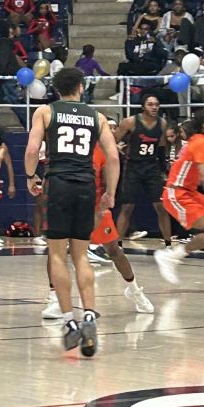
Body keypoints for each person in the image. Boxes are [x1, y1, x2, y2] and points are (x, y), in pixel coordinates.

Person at [25, 67, 119, 356]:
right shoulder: (98, 116)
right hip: (86, 185)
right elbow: (113, 157)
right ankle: (90, 313)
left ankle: (69, 321)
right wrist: (110, 194)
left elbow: (31, 150)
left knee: (57, 253)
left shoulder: (45, 112)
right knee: (81, 255)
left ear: (55, 89)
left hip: (60, 183)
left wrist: (31, 177)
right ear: (81, 86)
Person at [42, 127, 154, 318]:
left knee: (114, 251)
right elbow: (49, 176)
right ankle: (55, 299)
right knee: (56, 252)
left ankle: (134, 290)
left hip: (95, 208)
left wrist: (105, 206)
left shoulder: (104, 153)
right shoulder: (65, 149)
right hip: (68, 206)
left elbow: (111, 182)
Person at [155, 110, 204, 283]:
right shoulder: (202, 142)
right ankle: (171, 256)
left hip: (189, 192)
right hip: (177, 193)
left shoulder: (202, 141)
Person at [112, 94, 172, 246]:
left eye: (156, 104)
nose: (154, 107)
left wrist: (164, 168)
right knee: (127, 206)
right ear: (143, 106)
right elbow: (112, 141)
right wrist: (117, 149)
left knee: (161, 206)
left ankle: (168, 243)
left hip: (151, 167)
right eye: (150, 104)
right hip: (133, 166)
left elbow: (162, 146)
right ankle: (119, 243)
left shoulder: (162, 123)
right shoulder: (130, 122)